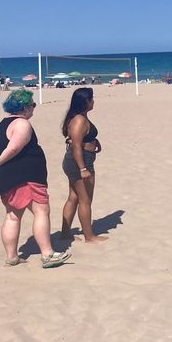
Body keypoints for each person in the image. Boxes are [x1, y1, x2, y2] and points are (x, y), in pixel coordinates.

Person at [0, 89, 71, 268]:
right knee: (41, 211)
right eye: (32, 105)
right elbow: (13, 148)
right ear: (25, 107)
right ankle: (47, 254)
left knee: (12, 215)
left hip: (8, 177)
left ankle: (11, 256)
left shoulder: (3, 123)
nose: (34, 108)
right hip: (26, 176)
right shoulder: (22, 124)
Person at [60, 87, 107, 243]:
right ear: (85, 102)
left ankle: (65, 234)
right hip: (80, 161)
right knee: (85, 200)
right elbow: (76, 146)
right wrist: (83, 168)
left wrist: (94, 141)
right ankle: (89, 236)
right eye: (91, 98)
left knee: (74, 197)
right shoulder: (79, 119)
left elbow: (80, 138)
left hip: (81, 159)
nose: (93, 101)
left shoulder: (81, 117)